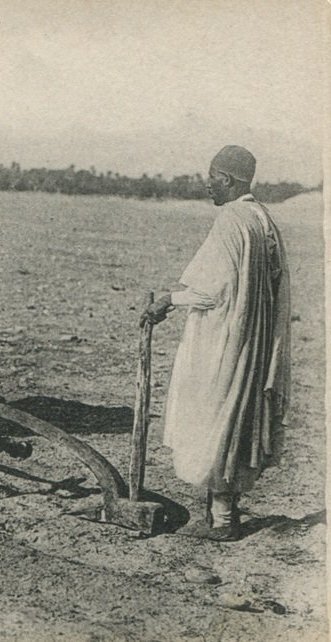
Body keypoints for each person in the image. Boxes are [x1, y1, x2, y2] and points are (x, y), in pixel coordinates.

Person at [140, 145, 290, 541]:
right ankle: (221, 513)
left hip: (224, 340)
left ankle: (221, 520)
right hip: (253, 342)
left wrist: (169, 301)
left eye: (211, 176)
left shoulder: (231, 221)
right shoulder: (263, 220)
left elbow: (212, 292)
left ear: (226, 179)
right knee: (235, 416)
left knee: (214, 416)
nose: (207, 185)